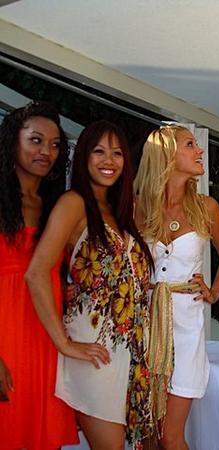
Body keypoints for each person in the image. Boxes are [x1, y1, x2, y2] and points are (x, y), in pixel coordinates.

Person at [26, 120, 155, 449]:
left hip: (134, 350)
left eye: (116, 153)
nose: (108, 160)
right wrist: (64, 344)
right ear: (83, 157)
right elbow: (36, 272)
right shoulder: (74, 203)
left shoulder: (125, 210)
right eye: (99, 151)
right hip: (94, 350)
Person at [134, 125, 219, 449]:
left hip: (187, 329)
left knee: (170, 437)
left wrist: (215, 292)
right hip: (145, 329)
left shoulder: (207, 208)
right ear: (166, 154)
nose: (200, 150)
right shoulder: (137, 207)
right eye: (190, 144)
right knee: (147, 434)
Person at [0, 102, 79, 449]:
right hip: (6, 332)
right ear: (11, 141)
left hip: (48, 333)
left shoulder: (56, 204)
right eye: (35, 140)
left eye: (55, 144)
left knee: (41, 431)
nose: (46, 151)